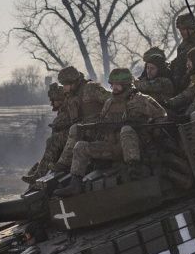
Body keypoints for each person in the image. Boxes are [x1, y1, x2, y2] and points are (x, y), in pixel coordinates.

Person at [55, 68, 166, 197]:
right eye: (112, 84)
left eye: (117, 85)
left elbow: (162, 115)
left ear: (126, 84)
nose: (113, 88)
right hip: (113, 146)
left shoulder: (141, 100)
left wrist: (154, 132)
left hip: (136, 147)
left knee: (126, 130)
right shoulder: (109, 103)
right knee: (80, 146)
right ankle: (75, 184)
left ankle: (134, 171)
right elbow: (103, 124)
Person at [51, 65, 109, 173]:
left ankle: (64, 163)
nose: (64, 88)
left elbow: (110, 100)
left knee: (75, 128)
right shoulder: (71, 96)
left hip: (98, 128)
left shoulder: (90, 88)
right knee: (56, 138)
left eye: (65, 85)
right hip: (84, 128)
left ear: (73, 82)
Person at [22, 82, 71, 183]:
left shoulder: (67, 110)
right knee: (36, 166)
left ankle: (38, 176)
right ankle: (36, 176)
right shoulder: (62, 111)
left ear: (60, 100)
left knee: (51, 141)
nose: (52, 104)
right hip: (62, 147)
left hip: (67, 144)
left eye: (54, 101)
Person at [165, 46, 195, 114]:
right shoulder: (192, 75)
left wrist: (170, 102)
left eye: (190, 61)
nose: (187, 64)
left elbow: (189, 93)